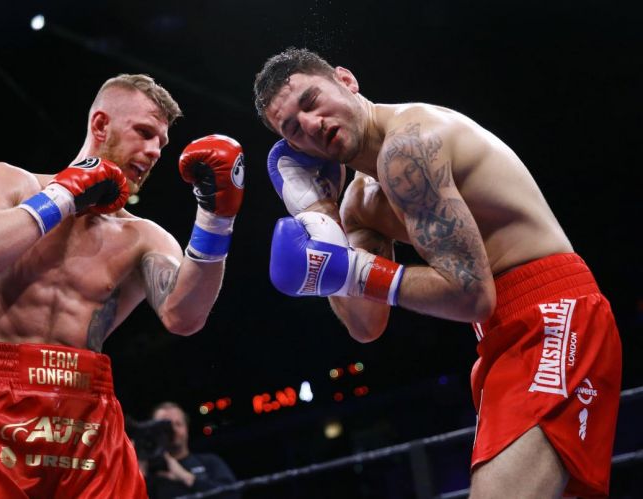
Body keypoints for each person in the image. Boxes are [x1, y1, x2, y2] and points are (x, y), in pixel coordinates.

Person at [254, 48, 621, 498]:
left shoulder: (409, 145)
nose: (312, 124)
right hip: (500, 336)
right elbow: (366, 324)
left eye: (312, 101)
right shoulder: (359, 202)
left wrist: (353, 269)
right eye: (293, 129)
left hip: (553, 317)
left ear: (346, 80)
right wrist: (319, 216)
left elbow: (471, 296)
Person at [0, 74, 246, 498]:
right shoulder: (12, 183)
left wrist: (216, 219)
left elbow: (185, 317)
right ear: (101, 125)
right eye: (144, 133)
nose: (154, 151)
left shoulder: (142, 236)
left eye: (161, 144)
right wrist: (64, 195)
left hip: (89, 418)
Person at [142, 402, 239, 498]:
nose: (173, 430)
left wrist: (187, 477)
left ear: (186, 428)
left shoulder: (210, 462)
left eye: (178, 424)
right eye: (164, 427)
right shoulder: (146, 472)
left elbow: (232, 495)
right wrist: (139, 477)